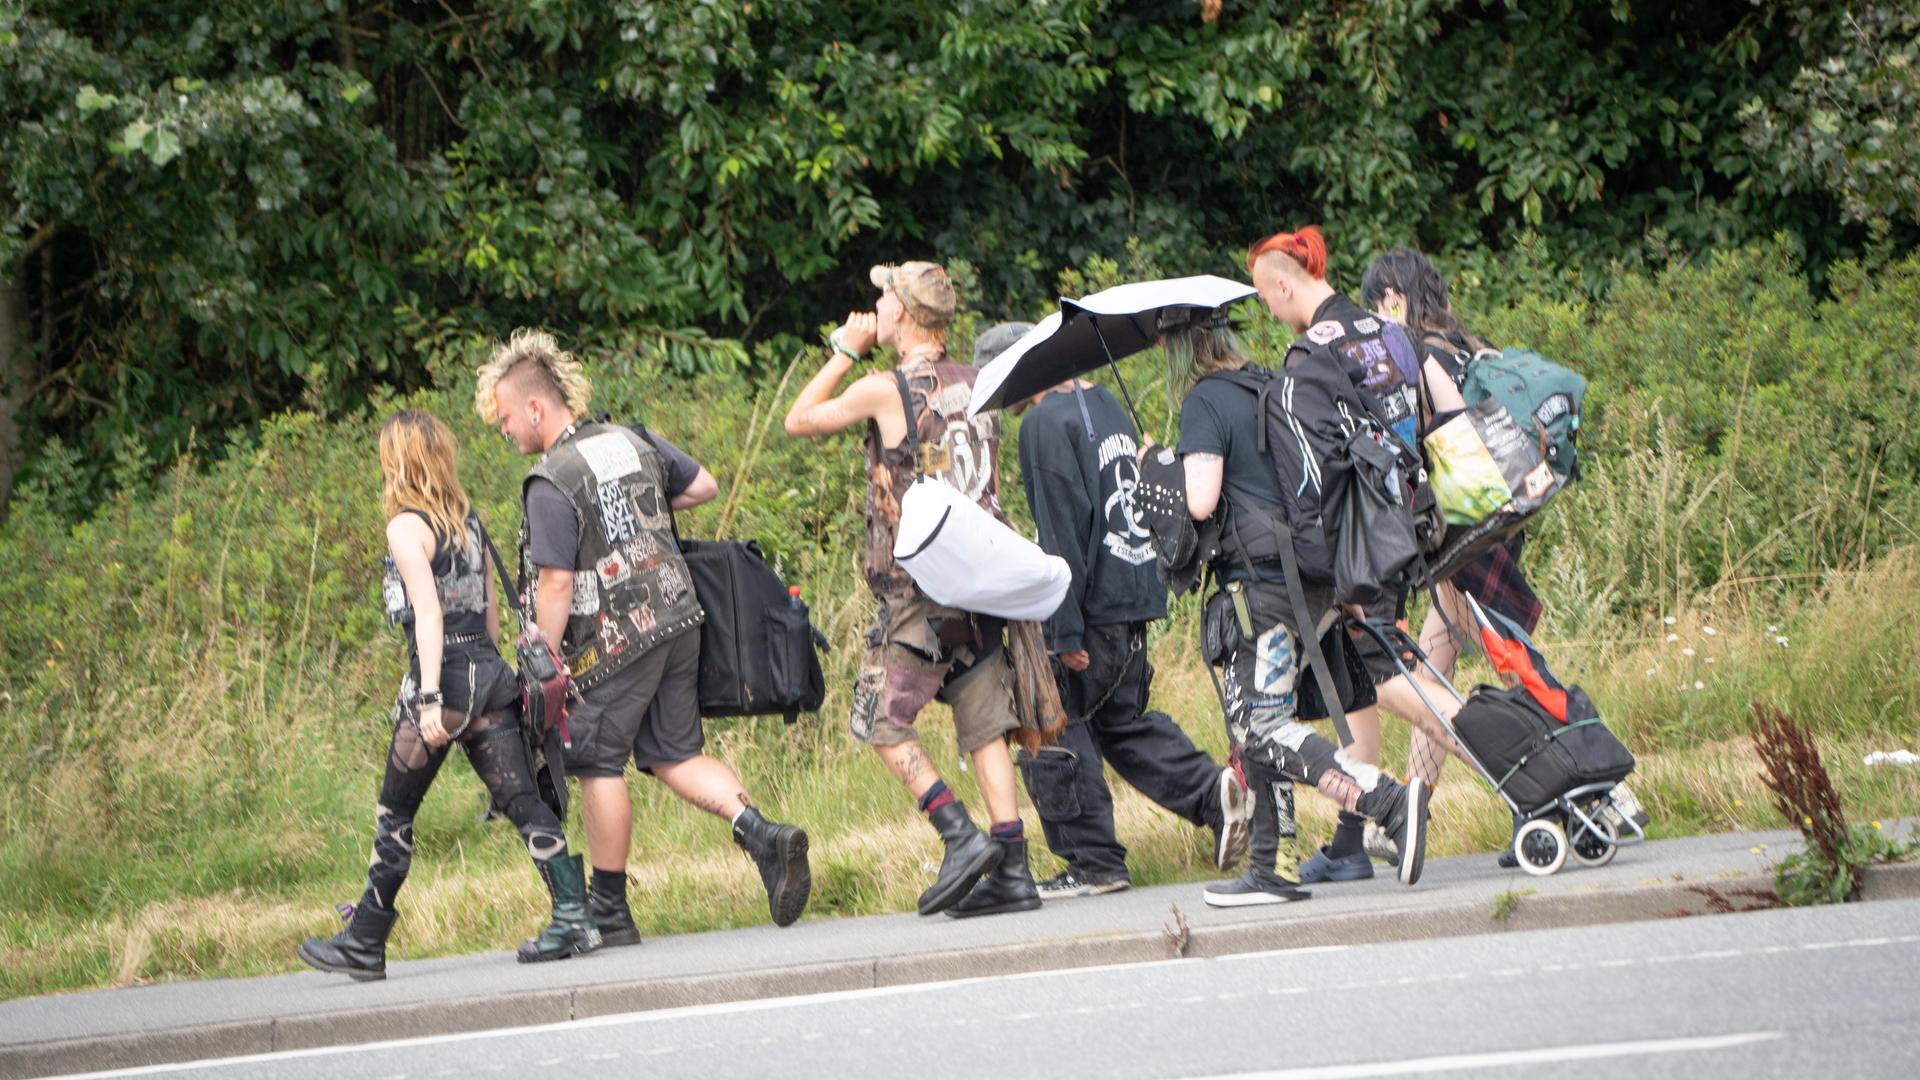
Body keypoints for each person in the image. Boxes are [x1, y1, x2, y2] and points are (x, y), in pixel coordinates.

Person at [475, 329, 811, 941]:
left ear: (535, 407)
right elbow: (703, 486)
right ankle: (763, 834)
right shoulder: (631, 439)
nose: (504, 431)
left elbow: (555, 582)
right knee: (674, 754)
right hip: (679, 618)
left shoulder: (550, 480)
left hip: (615, 640)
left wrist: (543, 662)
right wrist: (633, 513)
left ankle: (609, 907)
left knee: (597, 761)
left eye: (504, 419)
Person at [1358, 248, 1647, 865]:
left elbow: (1434, 437)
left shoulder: (1419, 354)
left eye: (1376, 306)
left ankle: (1589, 786)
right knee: (1431, 670)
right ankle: (1412, 807)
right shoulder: (1469, 344)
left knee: (1512, 658)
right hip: (1499, 516)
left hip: (1464, 527)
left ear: (1392, 299)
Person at [1151, 292, 1431, 908]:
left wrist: (1158, 467)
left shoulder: (1205, 400)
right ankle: (1268, 867)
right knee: (1258, 721)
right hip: (1311, 578)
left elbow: (1200, 499)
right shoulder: (1271, 384)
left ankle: (1387, 800)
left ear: (1179, 351)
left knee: (1260, 724)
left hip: (1262, 587)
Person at [299, 409, 600, 981]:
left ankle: (365, 941)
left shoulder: (405, 528)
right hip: (488, 673)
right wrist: (486, 671)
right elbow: (489, 614)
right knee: (522, 800)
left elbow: (429, 615)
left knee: (395, 813)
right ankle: (573, 915)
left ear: (397, 462)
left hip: (444, 680)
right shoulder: (468, 522)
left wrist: (430, 698)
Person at [782, 263, 1040, 918]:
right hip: (982, 580)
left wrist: (845, 350)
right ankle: (1015, 871)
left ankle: (958, 834)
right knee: (986, 726)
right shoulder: (978, 382)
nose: (875, 305)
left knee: (878, 719)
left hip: (918, 588)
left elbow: (798, 420)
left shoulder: (886, 388)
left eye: (883, 298)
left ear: (901, 312)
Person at [975, 321, 1251, 899]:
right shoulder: (1105, 405)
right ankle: (1213, 793)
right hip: (1133, 595)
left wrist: (1062, 629)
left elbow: (1062, 531)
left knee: (1054, 728)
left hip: (1088, 607)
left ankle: (1094, 862)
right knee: (1123, 724)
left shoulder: (1044, 424)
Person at [1243, 228, 1468, 887]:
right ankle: (1350, 839)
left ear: (1283, 283)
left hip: (1361, 540)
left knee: (1385, 675)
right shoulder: (1386, 330)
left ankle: (1515, 760)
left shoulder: (1312, 355)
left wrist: (1322, 564)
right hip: (1407, 523)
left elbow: (1313, 474)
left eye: (1264, 296)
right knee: (1357, 681)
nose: (1268, 310)